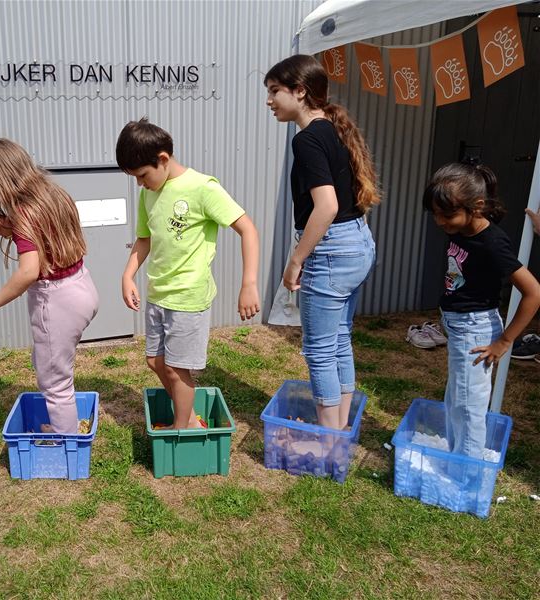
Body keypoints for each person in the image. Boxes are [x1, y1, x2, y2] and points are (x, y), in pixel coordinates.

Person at [116, 118, 260, 430]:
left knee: (177, 369)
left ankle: (184, 427)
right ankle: (188, 414)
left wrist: (248, 283)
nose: (140, 183)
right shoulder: (149, 194)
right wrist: (128, 275)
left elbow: (247, 228)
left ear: (163, 159)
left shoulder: (202, 188)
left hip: (188, 296)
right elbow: (145, 238)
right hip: (159, 293)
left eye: (142, 175)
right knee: (155, 362)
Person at [264, 54, 378, 430]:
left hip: (331, 251)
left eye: (274, 91)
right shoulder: (331, 127)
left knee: (318, 350)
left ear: (300, 92)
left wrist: (296, 260)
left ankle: (328, 436)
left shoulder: (308, 139)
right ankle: (340, 425)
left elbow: (325, 205)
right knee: (339, 338)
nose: (269, 101)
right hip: (356, 243)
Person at [0, 138, 99, 433]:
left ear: (0, 181)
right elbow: (49, 240)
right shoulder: (54, 194)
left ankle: (65, 441)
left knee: (54, 382)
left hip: (57, 300)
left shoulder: (24, 214)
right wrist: (10, 229)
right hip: (82, 286)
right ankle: (65, 427)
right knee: (52, 362)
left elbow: (29, 270)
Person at [423, 162, 540, 458]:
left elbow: (533, 293)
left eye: (446, 214)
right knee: (456, 400)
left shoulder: (492, 242)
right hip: (459, 325)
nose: (439, 222)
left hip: (475, 329)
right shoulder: (461, 226)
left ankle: (467, 471)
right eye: (435, 213)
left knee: (468, 406)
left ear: (476, 207)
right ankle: (457, 455)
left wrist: (504, 342)